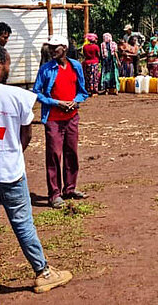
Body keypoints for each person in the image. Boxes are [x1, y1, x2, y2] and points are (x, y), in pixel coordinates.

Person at [0, 44, 72, 304]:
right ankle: (43, 272)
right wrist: (13, 152)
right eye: (7, 63)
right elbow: (26, 134)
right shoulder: (17, 96)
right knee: (23, 224)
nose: (8, 68)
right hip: (9, 171)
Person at [33, 35, 89, 209]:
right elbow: (37, 92)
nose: (51, 50)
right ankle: (54, 194)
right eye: (50, 47)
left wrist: (75, 100)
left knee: (71, 153)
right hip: (53, 119)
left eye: (54, 47)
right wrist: (56, 102)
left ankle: (70, 189)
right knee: (54, 156)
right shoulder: (46, 69)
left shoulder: (75, 66)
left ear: (64, 48)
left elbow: (83, 91)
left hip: (71, 117)